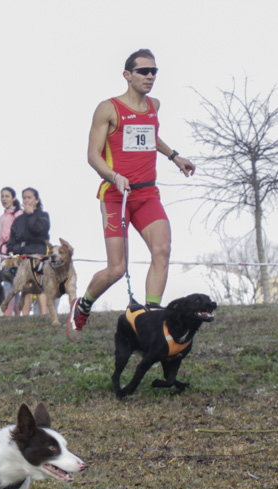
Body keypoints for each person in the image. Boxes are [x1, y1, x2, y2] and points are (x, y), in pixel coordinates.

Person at [69, 49, 196, 341]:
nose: (150, 76)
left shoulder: (154, 105)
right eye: (143, 71)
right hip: (116, 196)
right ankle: (84, 304)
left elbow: (150, 135)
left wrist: (174, 156)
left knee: (162, 250)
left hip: (147, 194)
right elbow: (92, 155)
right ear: (127, 75)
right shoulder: (108, 109)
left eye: (154, 71)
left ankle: (152, 317)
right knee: (116, 269)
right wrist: (114, 176)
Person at [8, 188, 52, 316]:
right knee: (25, 285)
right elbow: (12, 242)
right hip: (23, 256)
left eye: (29, 197)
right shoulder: (18, 220)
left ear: (36, 200)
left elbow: (39, 231)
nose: (26, 200)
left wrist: (31, 215)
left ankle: (44, 314)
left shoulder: (43, 216)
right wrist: (15, 251)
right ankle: (25, 316)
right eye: (24, 198)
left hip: (38, 254)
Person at [0, 187, 22, 316]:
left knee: (13, 285)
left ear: (13, 198)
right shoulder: (2, 217)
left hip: (15, 255)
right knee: (8, 285)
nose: (4, 199)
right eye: (2, 196)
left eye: (7, 196)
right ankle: (11, 313)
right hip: (4, 255)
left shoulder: (18, 214)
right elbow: (2, 239)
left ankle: (11, 313)